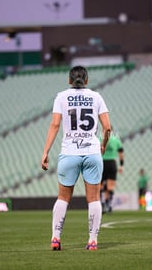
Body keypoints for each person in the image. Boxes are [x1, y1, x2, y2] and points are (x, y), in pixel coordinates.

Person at [41, 66, 111, 251]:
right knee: (94, 198)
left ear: (69, 80)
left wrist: (45, 151)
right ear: (87, 80)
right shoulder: (96, 97)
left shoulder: (61, 97)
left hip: (69, 152)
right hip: (92, 152)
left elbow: (55, 125)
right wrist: (103, 144)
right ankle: (92, 241)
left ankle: (56, 238)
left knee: (63, 198)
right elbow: (108, 128)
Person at [100, 129, 124, 213]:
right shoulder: (116, 140)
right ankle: (109, 205)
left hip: (101, 162)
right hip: (112, 163)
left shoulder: (99, 138)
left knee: (101, 185)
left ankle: (102, 204)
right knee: (110, 186)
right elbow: (121, 153)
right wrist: (121, 166)